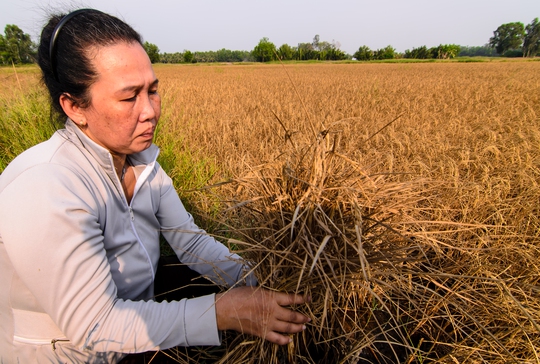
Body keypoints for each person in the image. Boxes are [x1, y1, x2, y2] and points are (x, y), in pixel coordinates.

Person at [0, 8, 310, 363]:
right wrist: (223, 311)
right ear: (74, 107)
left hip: (134, 334)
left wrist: (264, 278)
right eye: (129, 97)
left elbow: (190, 242)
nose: (149, 111)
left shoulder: (144, 164)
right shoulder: (46, 185)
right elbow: (96, 325)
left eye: (153, 90)